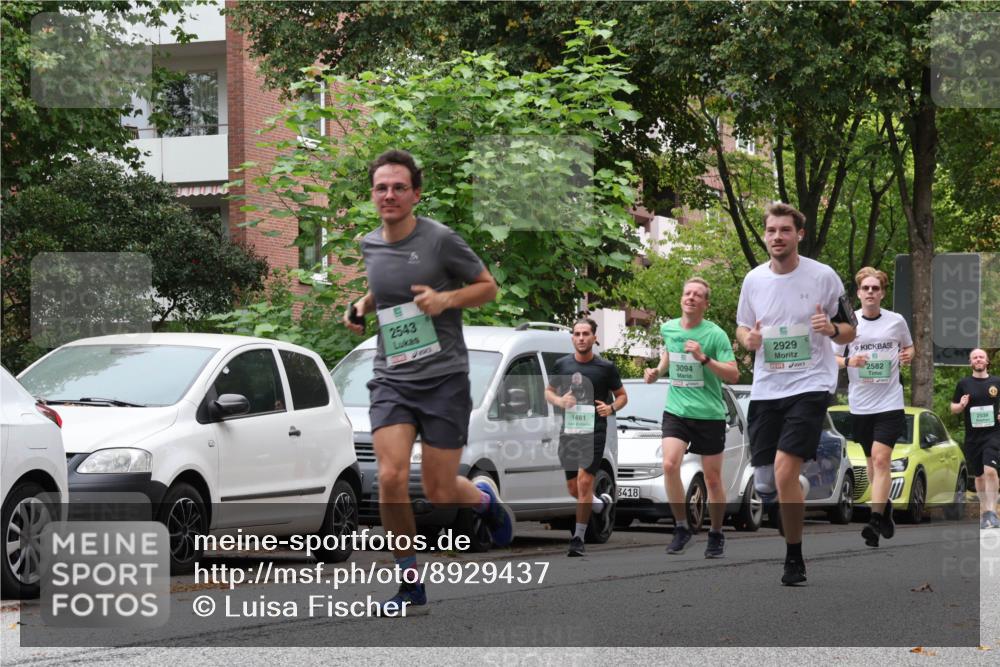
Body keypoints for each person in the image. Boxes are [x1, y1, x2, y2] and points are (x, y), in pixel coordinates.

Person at [344, 149, 514, 614]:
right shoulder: (370, 244)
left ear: (415, 194)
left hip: (443, 380)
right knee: (392, 478)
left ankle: (484, 502)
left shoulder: (439, 240)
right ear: (373, 195)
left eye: (399, 187)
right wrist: (361, 308)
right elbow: (384, 290)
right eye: (382, 187)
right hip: (392, 377)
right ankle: (410, 583)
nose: (390, 194)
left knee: (440, 491)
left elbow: (487, 286)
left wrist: (445, 299)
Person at [735, 202, 856, 586]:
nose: (777, 237)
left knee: (786, 469)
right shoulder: (753, 280)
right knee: (767, 480)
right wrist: (749, 339)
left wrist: (832, 330)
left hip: (811, 384)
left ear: (798, 235)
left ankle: (793, 557)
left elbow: (851, 328)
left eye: (784, 230)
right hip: (767, 387)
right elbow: (741, 329)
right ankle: (790, 495)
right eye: (771, 231)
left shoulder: (823, 277)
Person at [644, 277, 739, 558]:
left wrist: (704, 358)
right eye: (687, 293)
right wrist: (657, 372)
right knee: (670, 464)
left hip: (709, 414)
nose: (691, 298)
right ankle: (682, 527)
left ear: (705, 304)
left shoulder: (715, 335)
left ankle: (716, 533)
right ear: (681, 299)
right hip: (677, 410)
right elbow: (669, 355)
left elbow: (733, 374)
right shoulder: (668, 328)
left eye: (698, 295)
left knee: (712, 480)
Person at [834, 267, 914, 547]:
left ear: (882, 293)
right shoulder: (848, 323)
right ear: (858, 293)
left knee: (881, 460)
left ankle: (875, 520)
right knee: (871, 464)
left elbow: (910, 348)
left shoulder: (896, 321)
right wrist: (848, 362)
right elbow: (832, 358)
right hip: (860, 405)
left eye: (875, 288)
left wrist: (907, 356)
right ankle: (886, 506)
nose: (870, 292)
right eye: (865, 288)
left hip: (890, 402)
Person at [544, 318, 627, 557]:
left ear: (594, 338)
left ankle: (578, 538)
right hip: (569, 431)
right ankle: (600, 504)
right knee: (573, 488)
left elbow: (622, 396)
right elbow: (548, 392)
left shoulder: (605, 368)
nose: (581, 338)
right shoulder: (562, 365)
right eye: (577, 334)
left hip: (594, 432)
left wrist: (611, 408)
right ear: (573, 338)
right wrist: (561, 401)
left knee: (583, 483)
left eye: (585, 334)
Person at [950, 349, 1000, 529]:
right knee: (979, 477)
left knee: (990, 471)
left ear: (987, 361)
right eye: (975, 357)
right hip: (973, 437)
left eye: (981, 357)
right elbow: (953, 408)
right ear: (970, 362)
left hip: (993, 434)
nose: (978, 359)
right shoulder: (964, 383)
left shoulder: (996, 382)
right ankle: (985, 511)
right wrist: (961, 405)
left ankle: (993, 512)